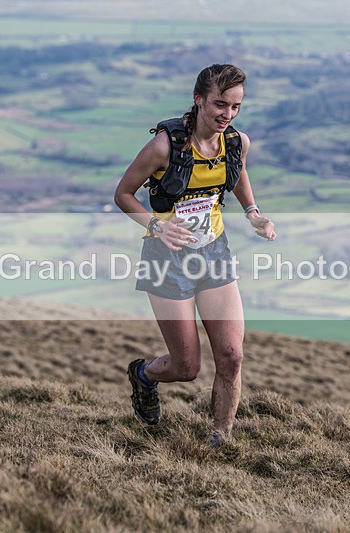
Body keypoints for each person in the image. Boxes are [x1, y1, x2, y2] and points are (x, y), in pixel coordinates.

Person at [114, 63, 276, 447]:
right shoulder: (163, 147)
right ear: (198, 99)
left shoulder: (236, 142)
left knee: (232, 356)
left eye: (236, 106)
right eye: (220, 104)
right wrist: (157, 226)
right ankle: (144, 375)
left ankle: (221, 440)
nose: (228, 114)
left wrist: (253, 212)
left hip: (214, 252)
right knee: (186, 367)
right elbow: (123, 194)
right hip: (166, 258)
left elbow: (237, 173)